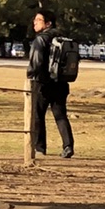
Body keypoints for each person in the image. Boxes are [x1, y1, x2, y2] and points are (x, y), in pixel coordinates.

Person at [27, 8, 75, 159]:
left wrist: (30, 77)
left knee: (37, 115)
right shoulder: (63, 37)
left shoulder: (40, 39)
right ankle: (68, 146)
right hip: (60, 82)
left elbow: (36, 62)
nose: (34, 23)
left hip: (42, 83)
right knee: (60, 115)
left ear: (48, 23)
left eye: (38, 20)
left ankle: (39, 148)